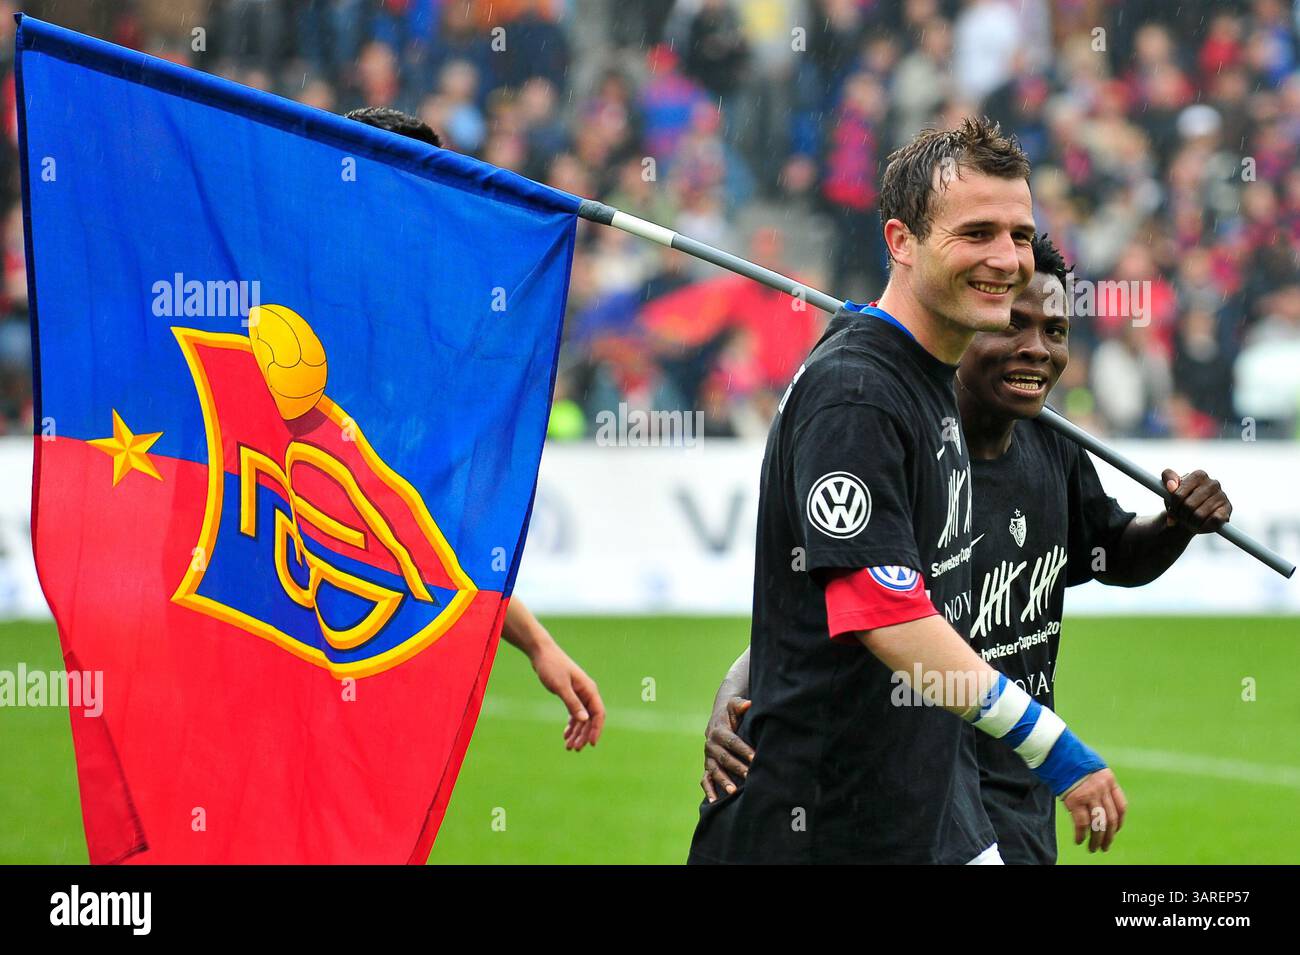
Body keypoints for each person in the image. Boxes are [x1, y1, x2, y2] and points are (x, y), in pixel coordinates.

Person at [701, 234, 1233, 863]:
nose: (1037, 349)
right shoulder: (905, 443)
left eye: (1056, 331)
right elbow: (858, 602)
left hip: (1017, 788)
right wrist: (737, 687)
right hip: (920, 788)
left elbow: (1110, 553)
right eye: (1014, 325)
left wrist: (1175, 524)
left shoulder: (1052, 445)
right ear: (966, 324)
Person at [687, 117, 1124, 865]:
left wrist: (749, 666)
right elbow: (882, 610)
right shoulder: (858, 391)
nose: (1007, 258)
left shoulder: (926, 383)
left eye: (1019, 235)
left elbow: (869, 586)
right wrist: (1056, 747)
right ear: (901, 241)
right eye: (977, 232)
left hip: (919, 819)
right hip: (819, 829)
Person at [344, 106, 606, 752]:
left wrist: (538, 642)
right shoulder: (319, 319)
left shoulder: (406, 342)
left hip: (357, 652)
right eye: (426, 191)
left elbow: (433, 533)